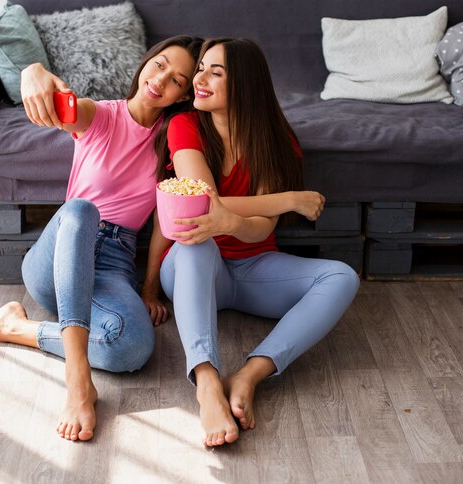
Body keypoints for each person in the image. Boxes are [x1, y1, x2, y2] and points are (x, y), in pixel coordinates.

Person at [0, 35, 203, 442]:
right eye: (161, 64)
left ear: (183, 95)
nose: (161, 79)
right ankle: (77, 377)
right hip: (61, 253)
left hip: (115, 262)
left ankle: (14, 327)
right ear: (147, 61)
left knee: (134, 349)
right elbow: (57, 104)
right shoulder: (100, 115)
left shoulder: (170, 142)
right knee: (82, 210)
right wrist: (33, 71)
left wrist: (149, 289)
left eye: (177, 80)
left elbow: (163, 219)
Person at [152, 38, 360, 447]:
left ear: (245, 84)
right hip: (194, 270)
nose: (200, 79)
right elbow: (198, 203)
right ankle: (207, 381)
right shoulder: (185, 125)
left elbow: (261, 228)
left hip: (254, 269)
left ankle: (250, 374)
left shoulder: (275, 137)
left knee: (342, 277)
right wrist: (289, 199)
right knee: (197, 237)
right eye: (201, 69)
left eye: (216, 72)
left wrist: (231, 219)